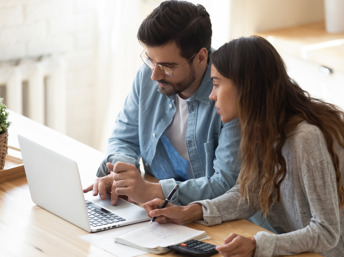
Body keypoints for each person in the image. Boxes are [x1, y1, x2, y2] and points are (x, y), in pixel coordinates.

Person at [143, 36, 344, 257]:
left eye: (217, 84)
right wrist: (191, 211)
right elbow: (250, 194)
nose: (211, 96)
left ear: (247, 87)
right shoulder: (261, 129)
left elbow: (326, 232)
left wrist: (258, 245)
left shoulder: (306, 138)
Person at [83, 0, 244, 210]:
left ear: (201, 57)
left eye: (168, 66)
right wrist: (122, 175)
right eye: (150, 60)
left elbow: (226, 184)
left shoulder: (232, 93)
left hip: (208, 218)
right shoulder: (147, 75)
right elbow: (124, 137)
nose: (155, 75)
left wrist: (150, 190)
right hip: (156, 211)